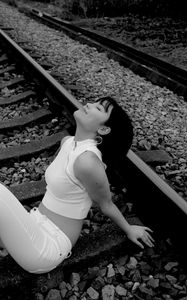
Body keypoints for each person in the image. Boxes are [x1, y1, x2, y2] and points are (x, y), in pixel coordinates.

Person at [0, 96, 154, 274]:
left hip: (47, 247)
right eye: (94, 102)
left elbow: (106, 204)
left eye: (98, 108)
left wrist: (129, 229)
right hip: (33, 223)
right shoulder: (67, 142)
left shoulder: (88, 162)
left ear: (103, 129)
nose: (88, 104)